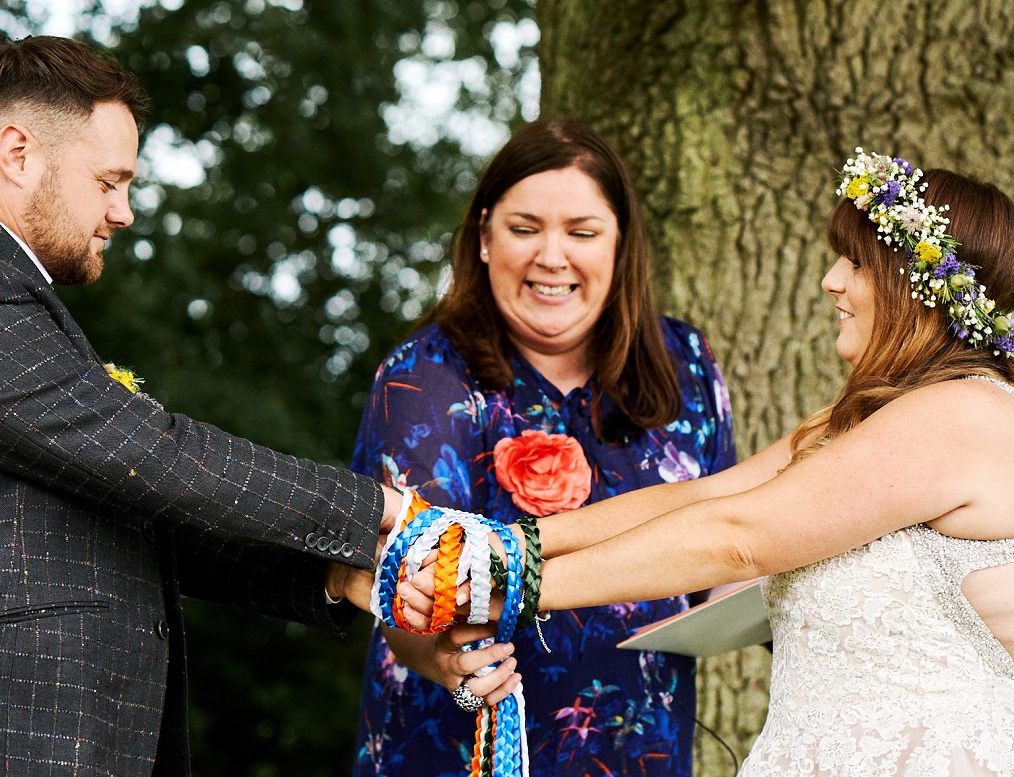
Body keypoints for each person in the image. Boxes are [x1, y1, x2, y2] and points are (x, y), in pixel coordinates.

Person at [0, 35, 409, 777]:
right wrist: (382, 510)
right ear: (18, 152)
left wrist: (331, 575)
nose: (124, 211)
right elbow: (156, 454)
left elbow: (124, 514)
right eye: (109, 180)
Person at [403, 150, 1014, 775]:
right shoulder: (855, 421)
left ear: (916, 285)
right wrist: (497, 546)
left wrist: (505, 585)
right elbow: (700, 498)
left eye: (855, 263)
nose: (831, 280)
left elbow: (738, 538)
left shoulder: (964, 414)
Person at [350, 118, 736, 777]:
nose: (552, 257)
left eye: (582, 233)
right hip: (462, 750)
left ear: (621, 245)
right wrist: (435, 650)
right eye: (525, 228)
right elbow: (405, 582)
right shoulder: (425, 375)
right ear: (482, 237)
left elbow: (727, 541)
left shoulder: (686, 364)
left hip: (643, 750)